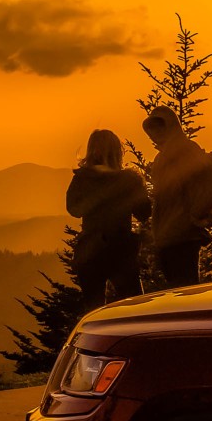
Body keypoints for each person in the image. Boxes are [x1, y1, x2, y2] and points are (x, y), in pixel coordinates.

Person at [142, 104, 212, 288]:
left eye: (158, 128)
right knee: (182, 291)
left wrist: (196, 215)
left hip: (182, 236)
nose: (153, 135)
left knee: (186, 292)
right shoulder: (167, 154)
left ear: (169, 126)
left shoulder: (185, 151)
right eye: (151, 130)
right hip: (172, 235)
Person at [66, 128, 151, 314]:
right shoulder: (129, 180)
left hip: (90, 248)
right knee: (134, 304)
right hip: (121, 248)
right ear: (117, 152)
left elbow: (73, 209)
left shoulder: (82, 178)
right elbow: (144, 212)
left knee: (93, 308)